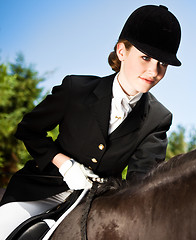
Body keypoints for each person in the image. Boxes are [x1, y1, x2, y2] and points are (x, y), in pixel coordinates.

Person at [0, 4, 181, 239]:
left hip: (99, 204)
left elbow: (141, 183)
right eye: (145, 57)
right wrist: (66, 165)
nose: (154, 71)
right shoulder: (76, 89)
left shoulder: (159, 118)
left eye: (162, 64)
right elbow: (29, 131)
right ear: (122, 51)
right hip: (42, 191)